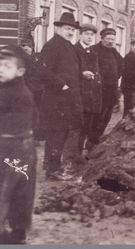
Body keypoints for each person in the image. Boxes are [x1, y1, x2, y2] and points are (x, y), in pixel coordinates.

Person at [0, 45, 37, 244]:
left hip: (10, 146)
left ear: (20, 71)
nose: (0, 69)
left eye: (6, 66)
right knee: (22, 191)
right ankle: (19, 232)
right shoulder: (17, 89)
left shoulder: (11, 93)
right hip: (25, 146)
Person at [36, 12, 83, 180]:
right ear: (58, 28)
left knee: (60, 134)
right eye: (67, 28)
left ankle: (51, 165)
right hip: (56, 101)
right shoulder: (53, 45)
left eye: (72, 29)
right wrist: (61, 84)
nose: (71, 32)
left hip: (66, 100)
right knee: (56, 135)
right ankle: (53, 170)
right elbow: (42, 69)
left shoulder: (67, 45)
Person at [89, 28, 123, 147]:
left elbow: (121, 66)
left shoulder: (114, 52)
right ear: (101, 38)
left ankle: (98, 139)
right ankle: (91, 142)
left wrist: (117, 77)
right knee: (98, 117)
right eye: (108, 39)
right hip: (100, 90)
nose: (110, 41)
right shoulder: (93, 50)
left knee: (107, 117)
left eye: (113, 39)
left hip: (112, 89)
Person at [74, 24, 102, 153]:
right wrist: (81, 74)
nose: (90, 37)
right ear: (80, 34)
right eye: (87, 34)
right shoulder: (75, 50)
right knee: (77, 128)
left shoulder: (94, 52)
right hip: (79, 95)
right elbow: (69, 71)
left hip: (91, 96)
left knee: (87, 127)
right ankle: (74, 154)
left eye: (92, 35)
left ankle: (79, 153)